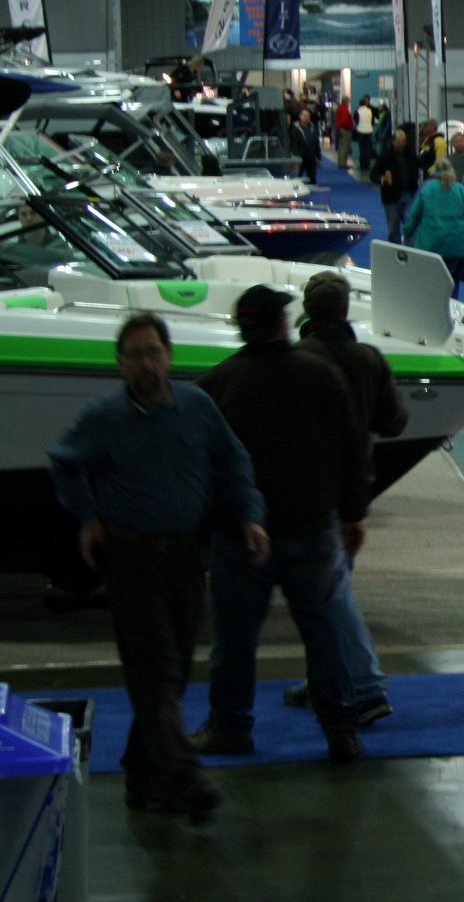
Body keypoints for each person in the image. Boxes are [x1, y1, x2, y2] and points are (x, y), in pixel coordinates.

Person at [47, 313, 268, 819]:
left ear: (168, 356)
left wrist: (250, 517)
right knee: (155, 668)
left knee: (174, 673)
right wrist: (87, 516)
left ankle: (139, 768)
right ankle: (183, 778)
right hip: (131, 559)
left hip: (188, 556)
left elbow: (233, 463)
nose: (146, 364)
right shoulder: (104, 417)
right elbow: (64, 460)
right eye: (135, 356)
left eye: (153, 352)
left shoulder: (196, 406)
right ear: (121, 365)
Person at [194, 285, 373, 766]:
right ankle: (342, 730)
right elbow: (352, 447)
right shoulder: (320, 374)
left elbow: (204, 466)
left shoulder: (219, 383)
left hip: (241, 538)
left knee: (234, 641)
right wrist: (354, 513)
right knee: (323, 634)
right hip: (313, 530)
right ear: (284, 323)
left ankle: (230, 727)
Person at [279, 271, 410, 726]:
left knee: (330, 593)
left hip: (309, 491)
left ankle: (366, 687)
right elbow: (395, 422)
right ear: (346, 309)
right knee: (331, 589)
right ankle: (328, 681)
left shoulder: (295, 360)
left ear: (307, 312)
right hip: (353, 488)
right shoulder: (367, 359)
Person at [404, 159, 464, 295]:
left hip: (429, 245)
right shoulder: (459, 189)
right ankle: (452, 312)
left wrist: (407, 233)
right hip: (455, 246)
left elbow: (413, 216)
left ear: (434, 170)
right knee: (451, 283)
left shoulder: (427, 188)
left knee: (429, 284)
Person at [369, 126, 420, 246]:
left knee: (410, 224)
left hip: (409, 194)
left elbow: (419, 165)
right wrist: (381, 179)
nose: (401, 144)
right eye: (399, 141)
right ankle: (395, 249)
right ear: (393, 141)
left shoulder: (411, 155)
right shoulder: (385, 156)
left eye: (403, 141)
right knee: (393, 227)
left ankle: (410, 249)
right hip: (391, 197)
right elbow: (373, 174)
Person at [291, 107, 322, 185]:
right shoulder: (295, 129)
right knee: (298, 176)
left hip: (311, 156)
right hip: (300, 156)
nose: (306, 117)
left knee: (312, 177)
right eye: (304, 115)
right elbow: (294, 143)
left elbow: (316, 143)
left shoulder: (313, 128)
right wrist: (295, 156)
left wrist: (318, 157)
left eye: (308, 116)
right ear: (300, 116)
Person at [354, 95, 376, 175]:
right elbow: (372, 120)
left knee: (362, 149)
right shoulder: (370, 110)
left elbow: (356, 120)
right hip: (369, 130)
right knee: (368, 148)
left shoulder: (358, 111)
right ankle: (367, 164)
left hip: (361, 131)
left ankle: (362, 165)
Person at [333, 93, 354, 172]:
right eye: (348, 101)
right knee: (345, 147)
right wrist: (347, 126)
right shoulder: (345, 109)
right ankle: (342, 163)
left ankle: (342, 162)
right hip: (345, 129)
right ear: (346, 101)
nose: (349, 102)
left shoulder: (340, 108)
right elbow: (344, 120)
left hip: (341, 128)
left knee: (342, 147)